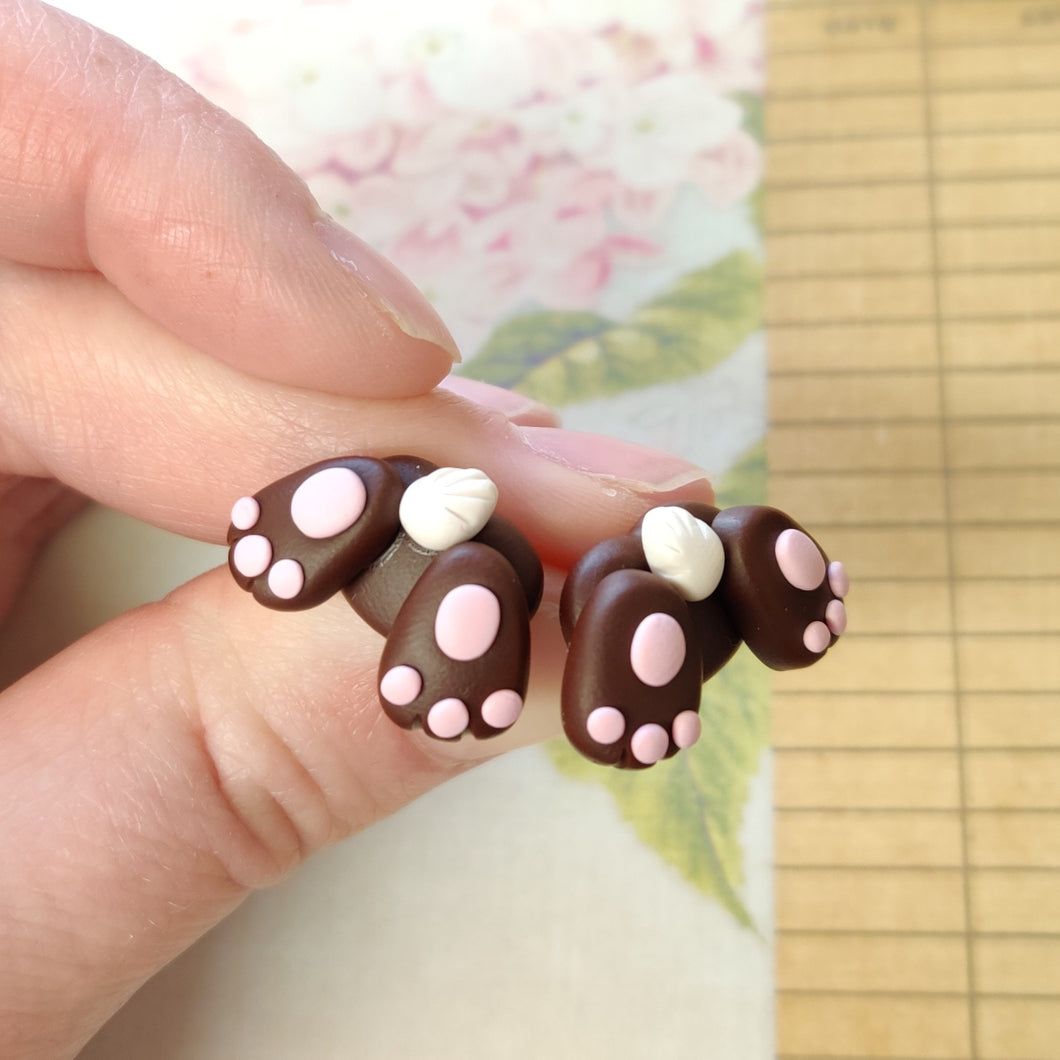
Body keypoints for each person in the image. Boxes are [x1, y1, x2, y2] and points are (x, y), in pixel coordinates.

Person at [0, 2, 714, 1055]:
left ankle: (397, 563)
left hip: (436, 546)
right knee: (417, 503)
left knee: (434, 512)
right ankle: (386, 562)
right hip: (420, 545)